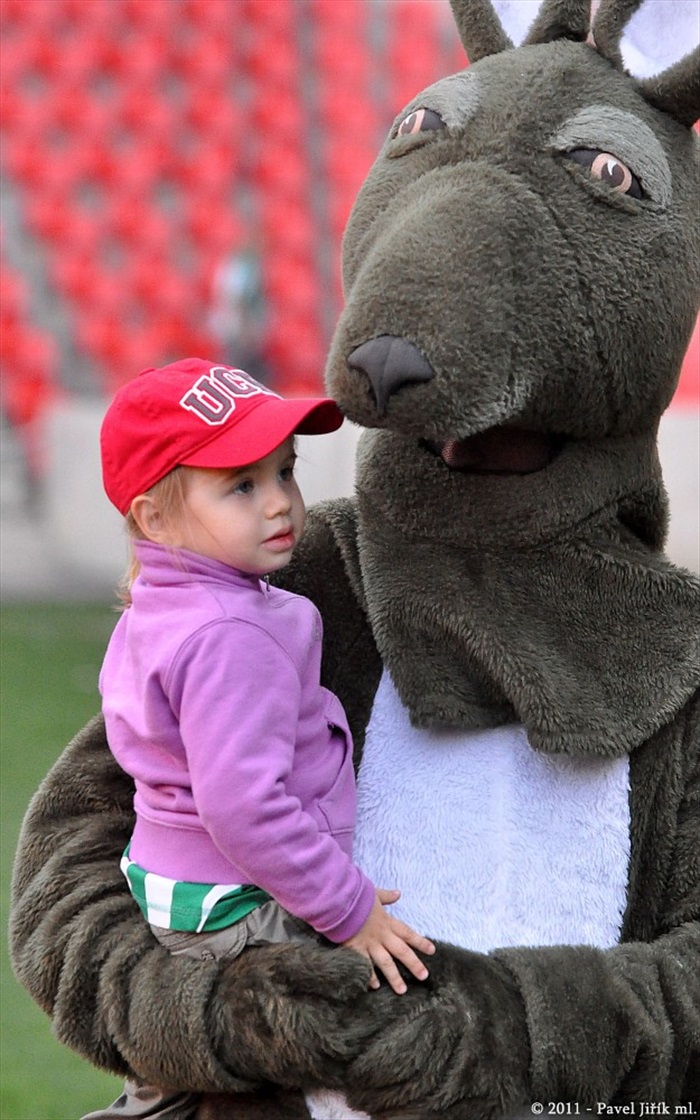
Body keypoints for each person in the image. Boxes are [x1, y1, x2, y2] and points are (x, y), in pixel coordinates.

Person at [90, 357, 435, 1119]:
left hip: (173, 882)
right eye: (241, 486)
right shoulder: (228, 634)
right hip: (231, 895)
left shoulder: (163, 603)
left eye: (285, 471)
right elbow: (244, 806)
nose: (280, 502)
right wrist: (350, 910)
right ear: (154, 517)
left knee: (183, 1086)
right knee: (396, 1007)